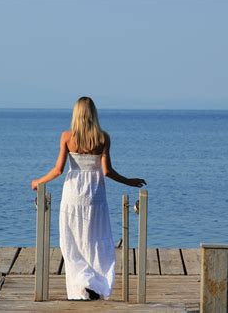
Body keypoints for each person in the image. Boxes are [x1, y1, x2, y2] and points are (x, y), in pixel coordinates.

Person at [31, 96, 146, 300]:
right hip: (95, 194)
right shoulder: (103, 138)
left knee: (72, 241)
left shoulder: (67, 137)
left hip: (73, 193)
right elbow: (107, 171)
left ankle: (82, 284)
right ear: (93, 113)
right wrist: (129, 181)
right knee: (95, 239)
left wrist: (39, 182)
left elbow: (58, 170)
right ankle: (96, 283)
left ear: (76, 113)